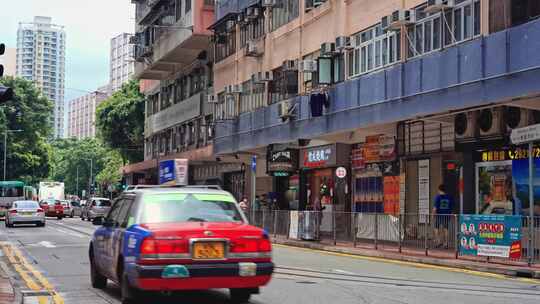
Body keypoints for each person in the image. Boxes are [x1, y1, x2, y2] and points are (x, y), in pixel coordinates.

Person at [433, 184, 454, 248]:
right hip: (447, 215)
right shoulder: (449, 197)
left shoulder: (437, 197)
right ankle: (446, 243)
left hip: (439, 215)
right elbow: (451, 206)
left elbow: (435, 208)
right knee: (446, 229)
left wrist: (433, 215)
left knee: (436, 228)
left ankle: (438, 241)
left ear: (439, 189)